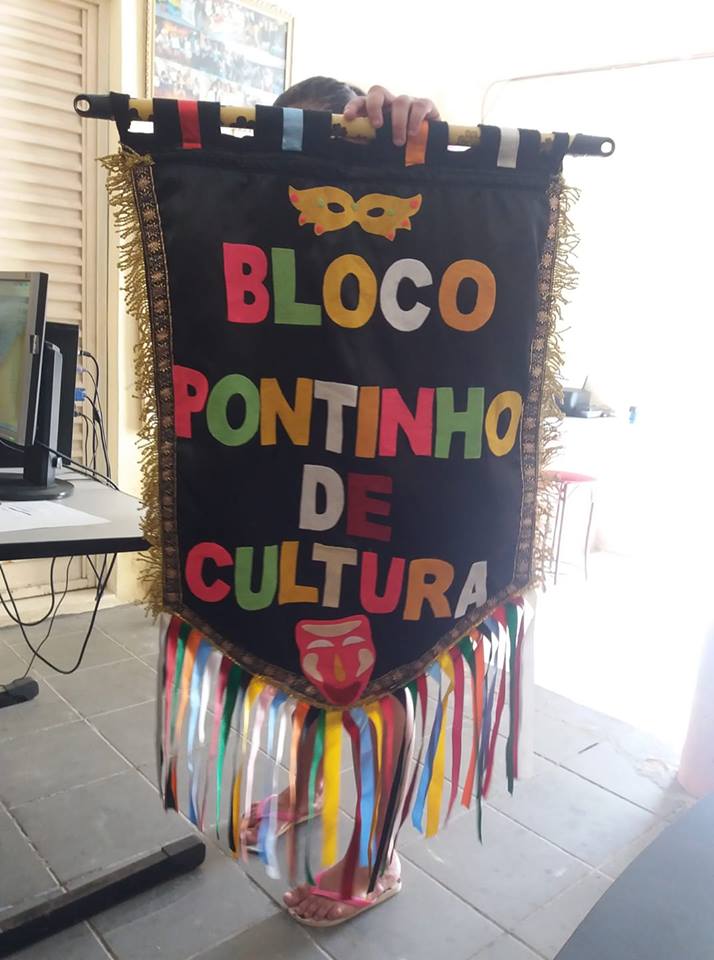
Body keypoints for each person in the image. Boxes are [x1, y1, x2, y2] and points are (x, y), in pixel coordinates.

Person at [241, 77, 440, 927]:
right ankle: (306, 788)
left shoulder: (405, 206)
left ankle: (377, 852)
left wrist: (422, 144)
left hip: (391, 478)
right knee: (298, 644)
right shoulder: (263, 216)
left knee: (385, 674)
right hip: (295, 461)